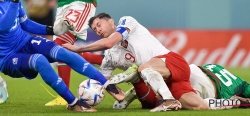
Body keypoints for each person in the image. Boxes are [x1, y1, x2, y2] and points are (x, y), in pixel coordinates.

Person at [0, 0, 125, 112]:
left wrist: (54, 30)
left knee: (63, 52)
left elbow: (25, 24)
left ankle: (107, 85)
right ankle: (73, 104)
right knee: (39, 60)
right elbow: (4, 26)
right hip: (7, 58)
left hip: (26, 42)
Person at [63, 12, 209, 112]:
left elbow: (108, 42)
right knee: (198, 106)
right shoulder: (109, 57)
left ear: (111, 21)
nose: (98, 30)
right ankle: (230, 101)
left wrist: (78, 50)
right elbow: (104, 82)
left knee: (142, 68)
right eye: (95, 30)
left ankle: (168, 100)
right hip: (160, 82)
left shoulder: (127, 21)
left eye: (99, 25)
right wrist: (85, 100)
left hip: (173, 63)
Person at [100, 44, 250, 110]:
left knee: (154, 79)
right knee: (200, 106)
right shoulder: (240, 85)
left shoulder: (215, 66)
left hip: (194, 69)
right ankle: (235, 103)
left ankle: (139, 80)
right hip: (206, 88)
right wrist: (237, 101)